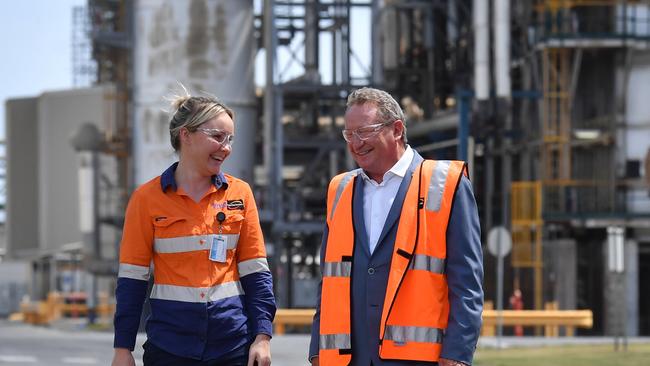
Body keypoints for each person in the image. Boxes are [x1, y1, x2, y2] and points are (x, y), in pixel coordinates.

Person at [309, 87, 483, 366]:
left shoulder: (446, 184)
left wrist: (457, 355)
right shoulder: (339, 189)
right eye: (349, 134)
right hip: (348, 360)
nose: (356, 143)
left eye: (364, 131)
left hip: (418, 359)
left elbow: (467, 283)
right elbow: (329, 280)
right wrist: (318, 349)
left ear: (397, 130)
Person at [112, 94, 276, 366]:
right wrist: (122, 348)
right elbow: (132, 281)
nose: (226, 147)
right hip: (170, 349)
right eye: (218, 136)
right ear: (185, 135)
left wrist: (262, 337)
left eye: (230, 139)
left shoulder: (240, 194)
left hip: (232, 347)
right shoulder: (146, 200)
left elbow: (257, 274)